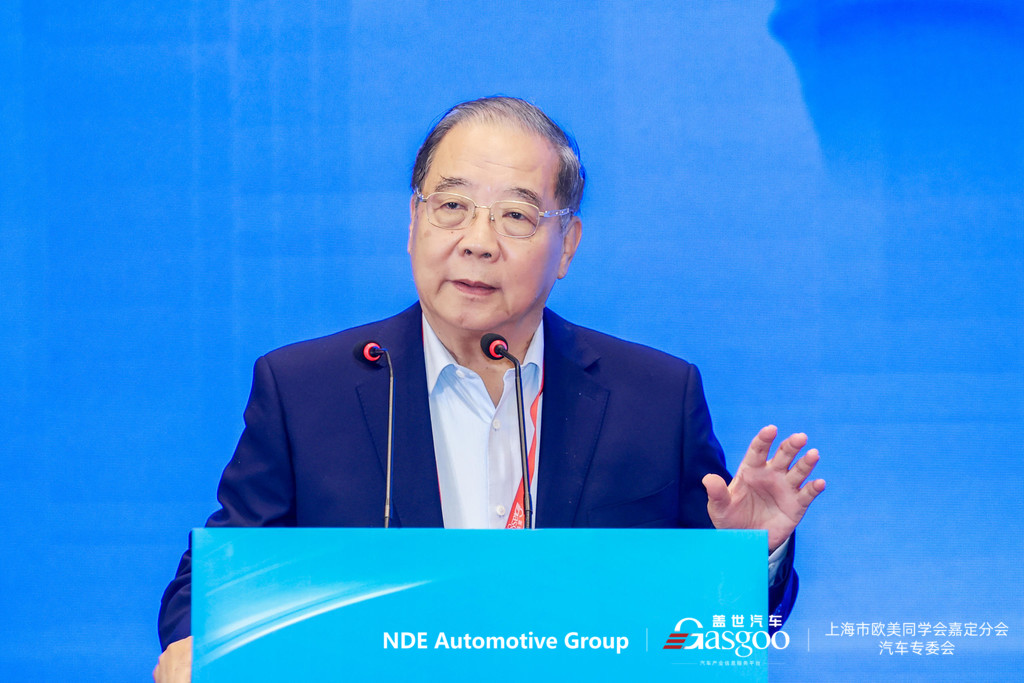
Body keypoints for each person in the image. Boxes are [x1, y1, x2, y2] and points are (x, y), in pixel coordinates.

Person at [153, 96, 825, 682]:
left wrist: (752, 559)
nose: (477, 242)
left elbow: (714, 634)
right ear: (412, 222)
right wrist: (195, 645)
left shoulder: (655, 398)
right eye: (451, 207)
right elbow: (210, 587)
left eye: (515, 216)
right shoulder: (306, 390)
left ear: (567, 245)